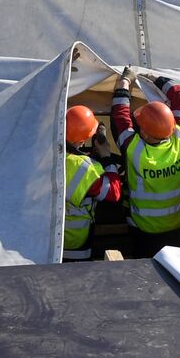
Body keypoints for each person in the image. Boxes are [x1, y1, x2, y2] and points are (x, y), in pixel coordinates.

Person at [111, 67, 180, 258]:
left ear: (146, 133)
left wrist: (124, 83)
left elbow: (119, 115)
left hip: (144, 231)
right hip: (178, 227)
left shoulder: (135, 150)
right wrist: (156, 78)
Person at [63, 105, 122, 262]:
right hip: (74, 243)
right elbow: (114, 193)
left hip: (42, 238)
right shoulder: (85, 168)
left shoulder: (41, 152)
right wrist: (107, 157)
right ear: (82, 140)